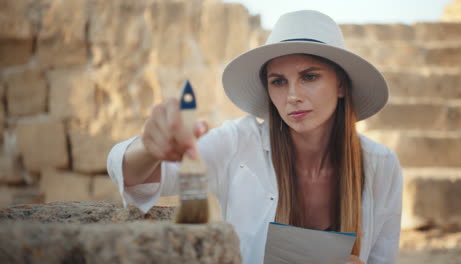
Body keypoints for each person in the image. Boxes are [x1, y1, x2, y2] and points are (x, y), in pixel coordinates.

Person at [107, 10, 403, 264]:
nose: (292, 96)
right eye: (278, 82)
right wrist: (149, 148)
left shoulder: (381, 165)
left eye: (309, 77)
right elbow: (135, 176)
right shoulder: (238, 142)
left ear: (340, 85)